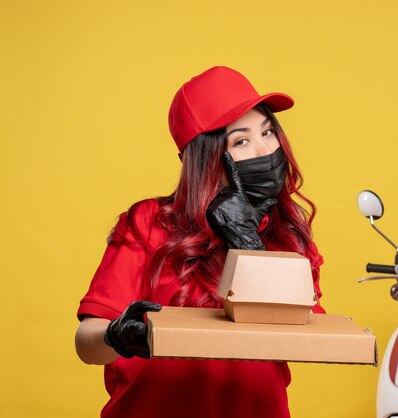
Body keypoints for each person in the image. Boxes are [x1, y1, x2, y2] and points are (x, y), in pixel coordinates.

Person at [74, 66, 324, 418]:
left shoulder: (287, 235)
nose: (265, 149)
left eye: (268, 132)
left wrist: (249, 246)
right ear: (202, 159)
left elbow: (303, 341)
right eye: (240, 140)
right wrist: (117, 336)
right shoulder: (148, 223)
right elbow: (87, 343)